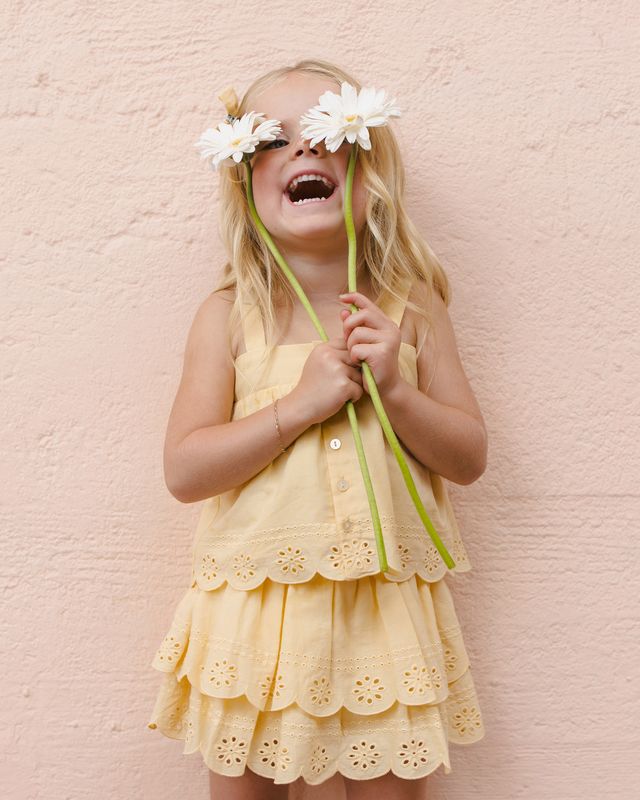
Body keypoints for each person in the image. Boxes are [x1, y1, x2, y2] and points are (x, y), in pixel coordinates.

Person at [146, 58, 487, 800]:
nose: (304, 149)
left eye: (329, 131)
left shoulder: (413, 307)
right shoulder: (232, 316)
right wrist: (295, 407)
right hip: (255, 606)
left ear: (369, 176)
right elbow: (184, 469)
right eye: (274, 140)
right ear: (243, 180)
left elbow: (467, 457)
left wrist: (394, 386)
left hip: (383, 608)